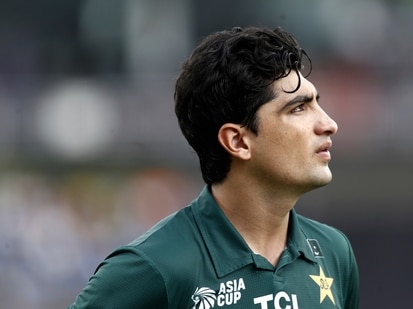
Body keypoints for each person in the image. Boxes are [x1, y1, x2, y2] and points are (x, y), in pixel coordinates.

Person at [68, 26, 360, 309]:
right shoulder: (155, 266)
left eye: (317, 105)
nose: (329, 124)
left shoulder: (333, 251)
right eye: (298, 108)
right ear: (238, 141)